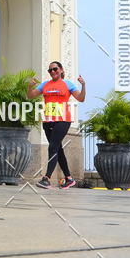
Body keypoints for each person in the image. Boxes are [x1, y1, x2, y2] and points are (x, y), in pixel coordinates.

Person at [28, 61, 85, 189]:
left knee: (52, 147)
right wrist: (30, 87)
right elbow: (30, 96)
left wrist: (83, 85)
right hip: (48, 120)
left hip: (63, 120)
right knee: (58, 149)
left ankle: (46, 178)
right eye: (50, 70)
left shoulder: (67, 84)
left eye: (55, 69)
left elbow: (81, 98)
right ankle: (69, 178)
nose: (52, 72)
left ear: (61, 70)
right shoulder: (45, 85)